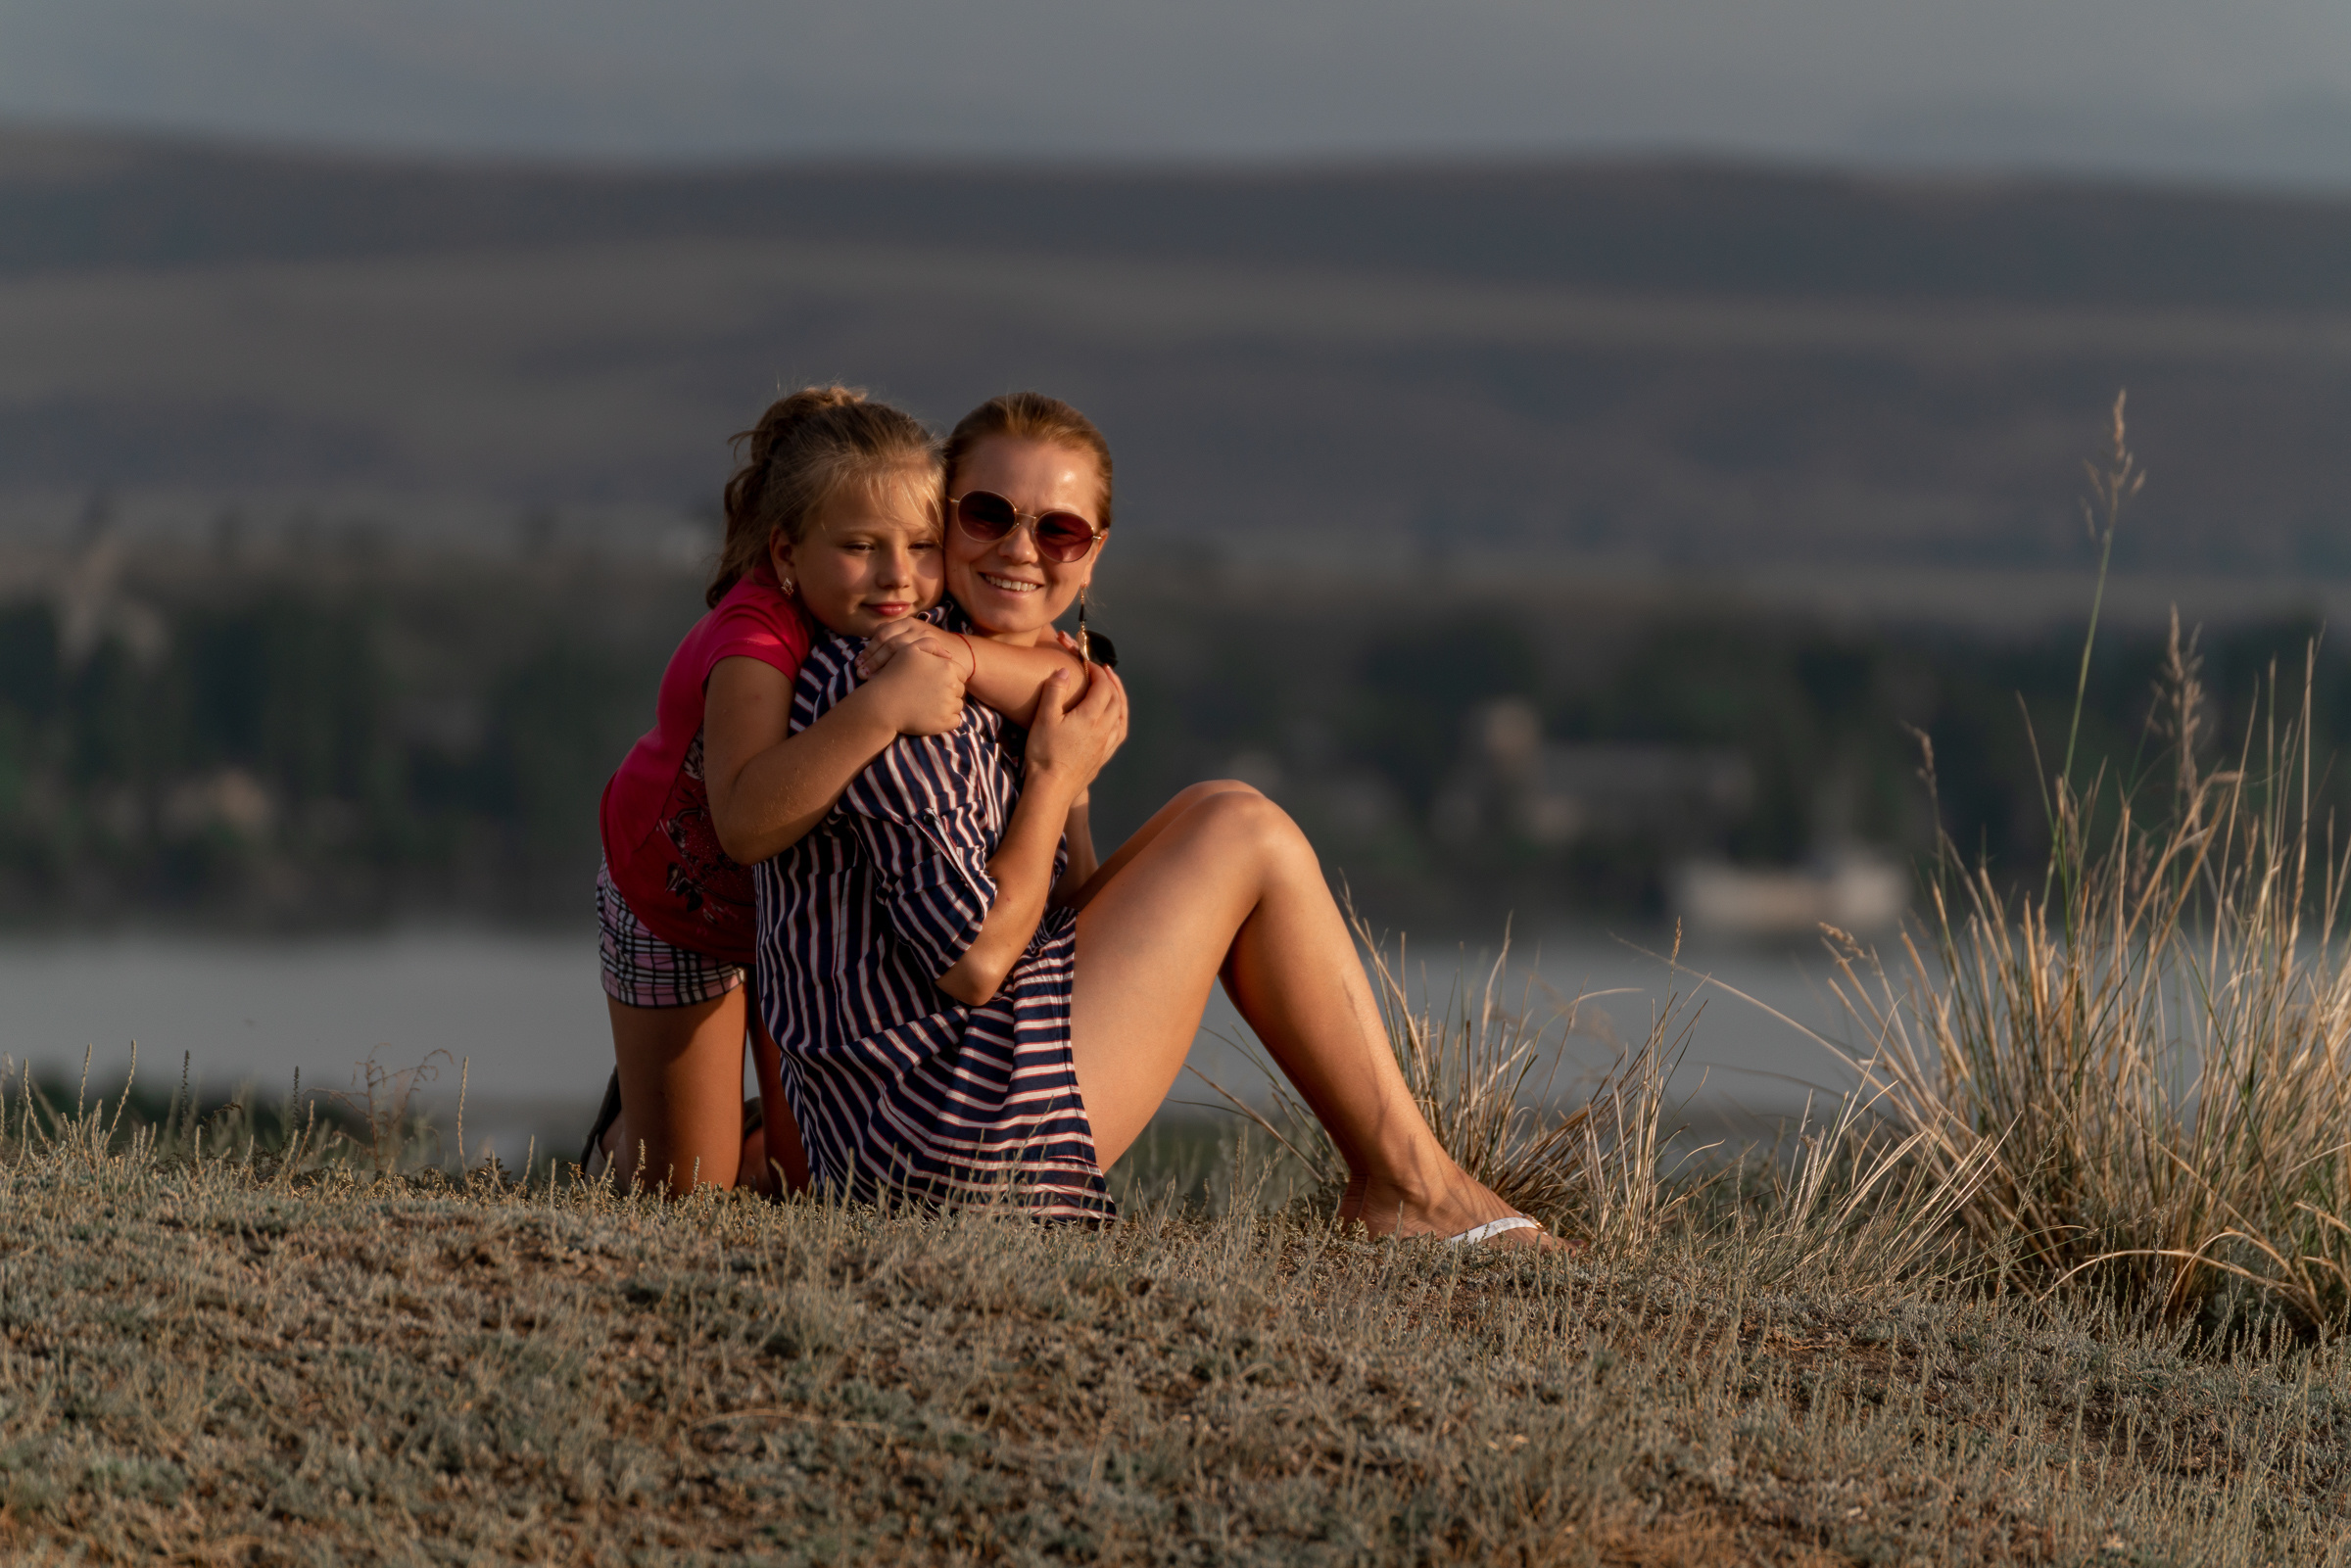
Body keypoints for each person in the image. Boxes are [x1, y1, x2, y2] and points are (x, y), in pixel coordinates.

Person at [758, 393, 1556, 1244]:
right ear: (943, 515)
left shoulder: (996, 675)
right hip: (933, 1140)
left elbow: (1059, 914)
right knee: (1240, 828)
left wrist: (1066, 786)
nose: (1021, 549)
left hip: (933, 1114)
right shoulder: (902, 678)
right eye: (988, 514)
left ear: (1092, 554)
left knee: (1218, 809)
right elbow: (977, 961)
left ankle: (1409, 1181)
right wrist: (1055, 777)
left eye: (1059, 530)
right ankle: (1414, 1187)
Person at [588, 386, 1080, 1196]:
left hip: (800, 924)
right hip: (678, 906)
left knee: (803, 1179)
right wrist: (882, 708)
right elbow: (745, 823)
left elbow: (1063, 671)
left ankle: (740, 1130)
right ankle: (623, 1134)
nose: (897, 576)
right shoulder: (754, 637)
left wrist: (970, 661)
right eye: (859, 546)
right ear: (787, 553)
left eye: (922, 545)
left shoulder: (927, 615)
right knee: (682, 1192)